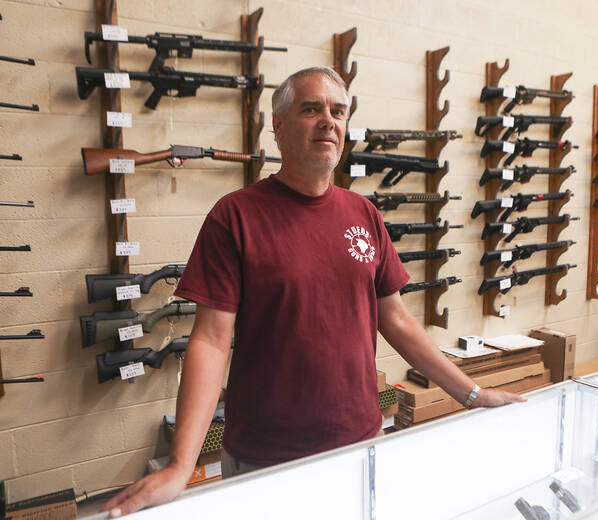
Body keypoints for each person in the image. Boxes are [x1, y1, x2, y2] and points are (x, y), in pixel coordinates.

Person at [102, 66, 525, 518]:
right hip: (265, 461)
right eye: (311, 110)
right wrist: (181, 465)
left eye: (338, 111)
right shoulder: (234, 216)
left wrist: (472, 394)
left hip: (360, 444)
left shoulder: (364, 214)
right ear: (279, 126)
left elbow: (397, 320)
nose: (328, 121)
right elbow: (209, 340)